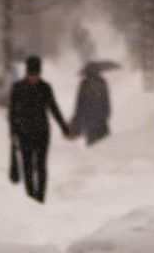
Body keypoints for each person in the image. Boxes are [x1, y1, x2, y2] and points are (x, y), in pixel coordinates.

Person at [9, 54, 70, 202]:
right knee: (27, 166)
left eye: (36, 74)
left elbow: (53, 108)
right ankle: (30, 197)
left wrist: (64, 127)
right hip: (24, 133)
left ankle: (40, 197)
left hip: (42, 133)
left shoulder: (45, 88)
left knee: (41, 166)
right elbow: (12, 112)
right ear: (27, 72)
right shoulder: (18, 88)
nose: (33, 77)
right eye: (31, 74)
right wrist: (13, 131)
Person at [70, 62, 111, 145]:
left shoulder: (84, 84)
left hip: (89, 121)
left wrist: (77, 119)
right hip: (102, 121)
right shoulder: (102, 82)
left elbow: (79, 104)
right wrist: (106, 116)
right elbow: (106, 101)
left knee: (93, 145)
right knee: (105, 144)